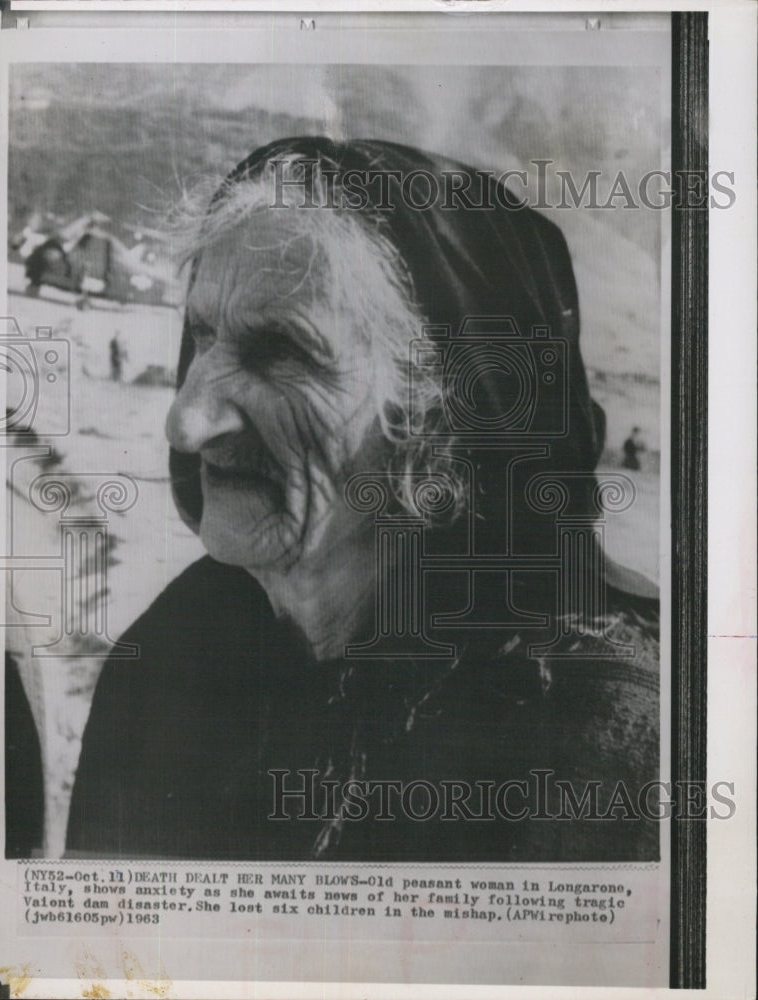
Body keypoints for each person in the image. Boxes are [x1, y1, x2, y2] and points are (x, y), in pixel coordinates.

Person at [66, 138, 659, 862]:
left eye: (280, 353)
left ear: (441, 423)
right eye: (202, 335)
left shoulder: (589, 729)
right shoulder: (173, 653)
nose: (186, 421)